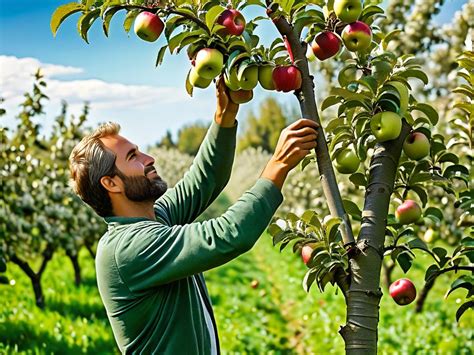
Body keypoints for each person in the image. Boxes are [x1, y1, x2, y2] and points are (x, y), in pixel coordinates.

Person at [69, 78, 318, 354]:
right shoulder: (127, 249)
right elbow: (227, 235)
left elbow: (203, 181)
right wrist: (278, 165)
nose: (149, 158)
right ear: (111, 183)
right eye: (133, 157)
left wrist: (225, 114)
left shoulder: (154, 219)